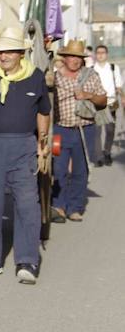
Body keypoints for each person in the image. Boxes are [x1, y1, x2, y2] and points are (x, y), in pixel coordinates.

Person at [0, 27, 51, 284]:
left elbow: (43, 111)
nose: (2, 56)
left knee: (27, 205)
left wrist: (43, 143)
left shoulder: (35, 77)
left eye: (8, 51)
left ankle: (27, 261)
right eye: (0, 51)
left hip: (24, 146)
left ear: (20, 53)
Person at [51, 39, 106, 223]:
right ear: (65, 58)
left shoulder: (91, 76)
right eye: (71, 56)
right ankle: (58, 205)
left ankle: (75, 207)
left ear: (82, 59)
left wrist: (87, 95)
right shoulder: (54, 78)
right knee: (58, 169)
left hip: (85, 130)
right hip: (59, 130)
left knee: (81, 171)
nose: (74, 60)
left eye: (78, 57)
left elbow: (103, 101)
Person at [91, 44, 122, 167]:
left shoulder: (114, 68)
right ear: (95, 54)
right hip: (97, 103)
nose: (100, 54)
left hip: (111, 103)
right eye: (98, 52)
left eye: (103, 52)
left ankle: (107, 152)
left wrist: (123, 97)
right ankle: (98, 157)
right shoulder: (92, 69)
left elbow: (118, 86)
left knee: (110, 130)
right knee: (97, 131)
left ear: (106, 54)